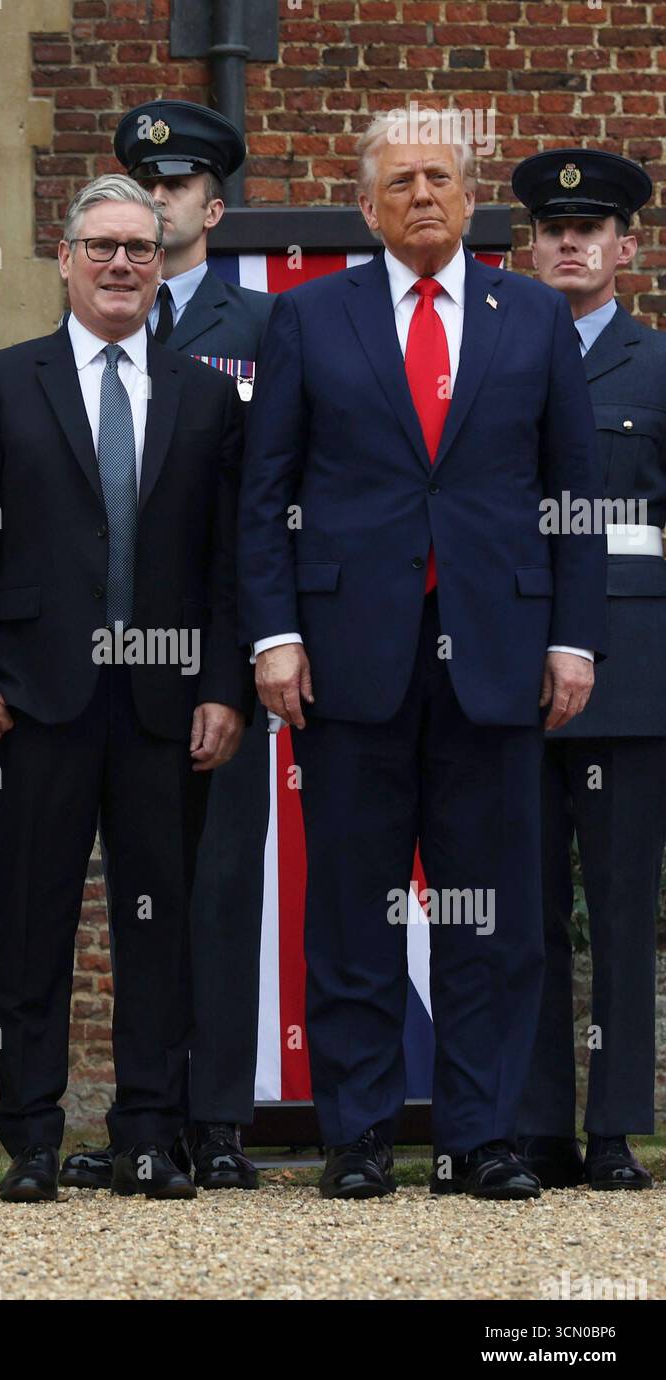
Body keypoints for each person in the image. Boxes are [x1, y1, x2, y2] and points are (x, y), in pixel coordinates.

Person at [238, 112, 608, 1200]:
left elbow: (572, 495)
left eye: (438, 178)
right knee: (351, 908)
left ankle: (478, 1137)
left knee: (486, 914)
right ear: (366, 205)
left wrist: (572, 636)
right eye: (397, 182)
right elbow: (267, 495)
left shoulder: (532, 317)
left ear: (469, 196)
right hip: (348, 659)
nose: (420, 197)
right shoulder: (307, 319)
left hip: (495, 655)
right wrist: (273, 633)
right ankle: (354, 1138)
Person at [0, 174, 253, 1202]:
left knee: (156, 928)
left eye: (140, 249)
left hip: (162, 704)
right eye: (102, 246)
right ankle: (28, 1136)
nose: (121, 264)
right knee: (31, 923)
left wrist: (221, 688)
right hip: (38, 699)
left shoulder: (203, 391)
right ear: (64, 259)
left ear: (160, 268)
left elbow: (227, 561)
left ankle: (148, 1134)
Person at [58, 101, 273, 1195]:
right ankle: (141, 1116)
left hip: (211, 660)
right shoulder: (98, 318)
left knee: (221, 886)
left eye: (179, 189)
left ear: (213, 206)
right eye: (142, 188)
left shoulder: (258, 329)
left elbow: (264, 509)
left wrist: (241, 663)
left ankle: (219, 1117)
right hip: (106, 672)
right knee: (133, 899)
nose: (158, 204)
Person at [512, 148, 661, 1192]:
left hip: (631, 669)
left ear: (625, 245)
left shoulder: (658, 366)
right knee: (516, 914)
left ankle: (611, 1128)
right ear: (529, 245)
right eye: (553, 227)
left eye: (590, 226)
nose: (569, 241)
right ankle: (529, 1129)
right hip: (506, 670)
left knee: (615, 913)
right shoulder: (493, 355)